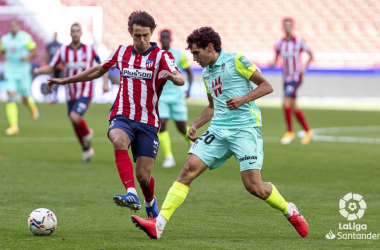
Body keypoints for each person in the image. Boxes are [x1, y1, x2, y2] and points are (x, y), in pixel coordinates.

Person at [131, 27, 309, 239]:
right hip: (218, 130)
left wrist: (243, 99)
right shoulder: (207, 73)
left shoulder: (236, 60)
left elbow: (267, 86)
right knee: (188, 170)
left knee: (254, 186)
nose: (194, 58)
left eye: (196, 53)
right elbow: (212, 107)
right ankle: (158, 225)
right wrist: (196, 124)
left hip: (244, 129)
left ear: (209, 47)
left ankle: (290, 211)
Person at [46, 11, 185, 219]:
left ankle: (149, 201)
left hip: (148, 121)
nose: (142, 40)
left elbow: (180, 78)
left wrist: (173, 77)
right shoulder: (121, 52)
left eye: (146, 35)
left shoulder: (162, 56)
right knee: (118, 139)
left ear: (152, 33)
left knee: (144, 177)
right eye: (137, 35)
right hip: (122, 115)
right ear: (130, 33)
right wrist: (65, 81)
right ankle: (131, 194)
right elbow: (97, 70)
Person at [34, 23, 108, 162]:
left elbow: (102, 66)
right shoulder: (62, 51)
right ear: (70, 33)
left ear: (81, 33)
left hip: (85, 91)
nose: (75, 33)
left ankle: (87, 133)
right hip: (70, 92)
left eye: (77, 31)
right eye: (73, 31)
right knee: (74, 122)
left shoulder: (90, 49)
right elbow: (52, 67)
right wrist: (39, 71)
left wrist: (105, 82)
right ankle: (87, 150)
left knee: (75, 117)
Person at [271, 18, 313, 145]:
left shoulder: (299, 42)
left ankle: (289, 131)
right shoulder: (279, 43)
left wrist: (304, 68)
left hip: (296, 77)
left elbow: (310, 55)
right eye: (285, 26)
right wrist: (273, 63)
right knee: (293, 105)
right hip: (286, 78)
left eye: (289, 25)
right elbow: (276, 56)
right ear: (283, 27)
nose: (287, 28)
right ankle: (307, 131)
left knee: (285, 102)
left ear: (292, 27)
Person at [158, 29, 193, 168]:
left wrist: (189, 88)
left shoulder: (179, 55)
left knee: (182, 128)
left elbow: (189, 72)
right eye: (163, 37)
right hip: (161, 96)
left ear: (170, 39)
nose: (165, 39)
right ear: (160, 39)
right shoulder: (156, 55)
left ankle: (192, 142)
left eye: (167, 37)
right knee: (161, 124)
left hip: (177, 96)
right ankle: (168, 157)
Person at [0, 18, 39, 135]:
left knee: (25, 99)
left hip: (23, 71)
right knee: (10, 95)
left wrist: (27, 57)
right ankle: (14, 125)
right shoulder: (5, 39)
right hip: (10, 71)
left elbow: (35, 52)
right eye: (11, 26)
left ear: (18, 26)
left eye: (14, 26)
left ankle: (32, 106)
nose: (13, 28)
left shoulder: (25, 37)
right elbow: (2, 53)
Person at [45, 32, 62, 103]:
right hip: (50, 66)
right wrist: (45, 63)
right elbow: (47, 54)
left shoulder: (60, 45)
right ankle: (50, 95)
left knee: (56, 81)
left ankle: (55, 95)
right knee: (50, 80)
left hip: (57, 67)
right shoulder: (49, 45)